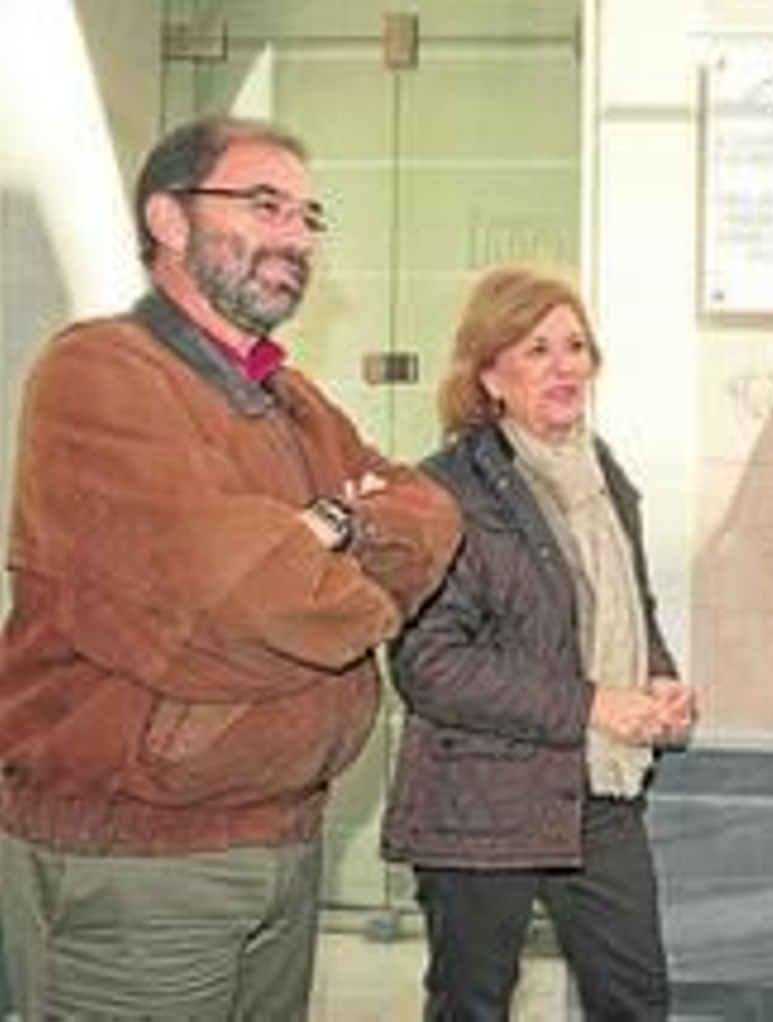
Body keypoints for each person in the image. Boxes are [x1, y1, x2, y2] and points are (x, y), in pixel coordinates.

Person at [0, 115, 462, 1020]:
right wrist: (346, 539)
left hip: (285, 844)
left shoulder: (284, 395)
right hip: (142, 865)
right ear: (168, 220)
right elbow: (247, 603)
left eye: (306, 215)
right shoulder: (99, 372)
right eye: (264, 204)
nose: (296, 234)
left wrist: (321, 534)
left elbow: (432, 518)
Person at [381, 266, 696, 1021]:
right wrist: (594, 703)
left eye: (576, 346)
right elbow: (428, 666)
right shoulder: (442, 491)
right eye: (536, 349)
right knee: (473, 1005)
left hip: (600, 796)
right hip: (481, 802)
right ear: (490, 374)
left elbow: (626, 610)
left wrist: (659, 681)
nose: (565, 367)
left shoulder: (605, 475)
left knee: (635, 997)